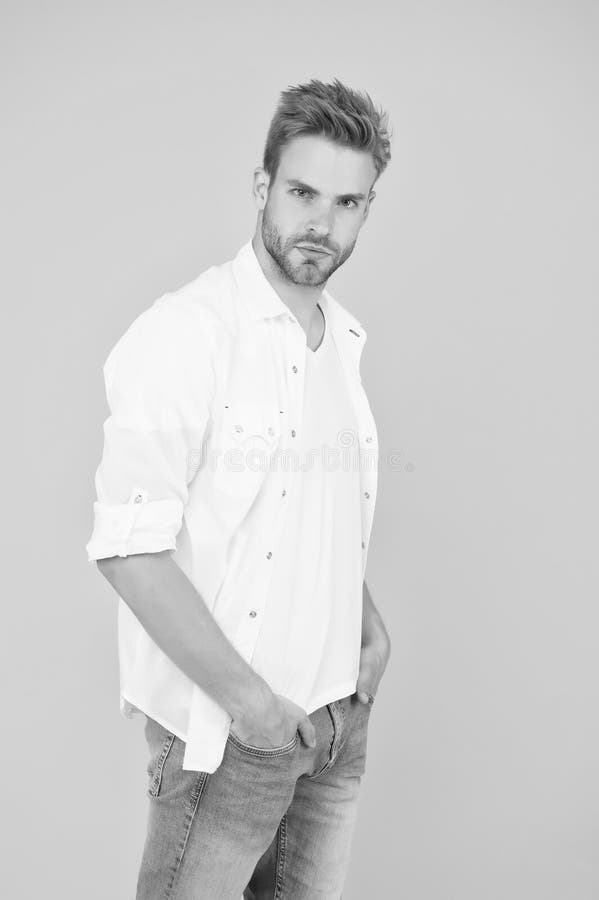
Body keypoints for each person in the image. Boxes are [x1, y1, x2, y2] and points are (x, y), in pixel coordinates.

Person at [86, 77, 393, 899]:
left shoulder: (341, 342)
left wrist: (369, 634)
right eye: (300, 192)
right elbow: (129, 549)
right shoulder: (186, 334)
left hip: (334, 726)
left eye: (347, 202)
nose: (320, 224)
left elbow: (309, 519)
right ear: (262, 188)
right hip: (232, 739)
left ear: (368, 209)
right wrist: (254, 711)